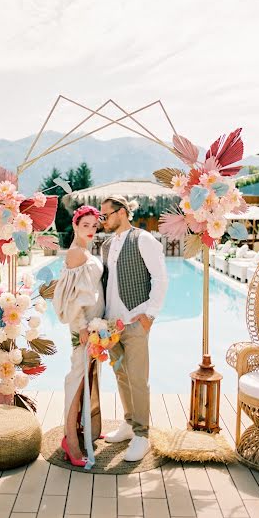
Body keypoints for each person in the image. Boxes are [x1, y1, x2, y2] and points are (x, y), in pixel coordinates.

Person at [99, 196, 168, 461]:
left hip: (135, 323)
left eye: (106, 215)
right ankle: (129, 424)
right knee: (121, 376)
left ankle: (142, 435)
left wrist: (149, 315)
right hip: (111, 325)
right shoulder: (106, 245)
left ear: (123, 213)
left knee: (138, 379)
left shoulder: (143, 239)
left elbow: (160, 278)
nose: (103, 220)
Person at [52, 205, 104, 467]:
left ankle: (85, 428)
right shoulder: (75, 253)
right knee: (77, 378)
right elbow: (73, 297)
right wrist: (83, 327)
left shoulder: (86, 251)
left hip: (94, 326)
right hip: (82, 328)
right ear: (75, 226)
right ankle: (70, 439)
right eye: (86, 225)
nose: (92, 230)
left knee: (86, 377)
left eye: (95, 225)